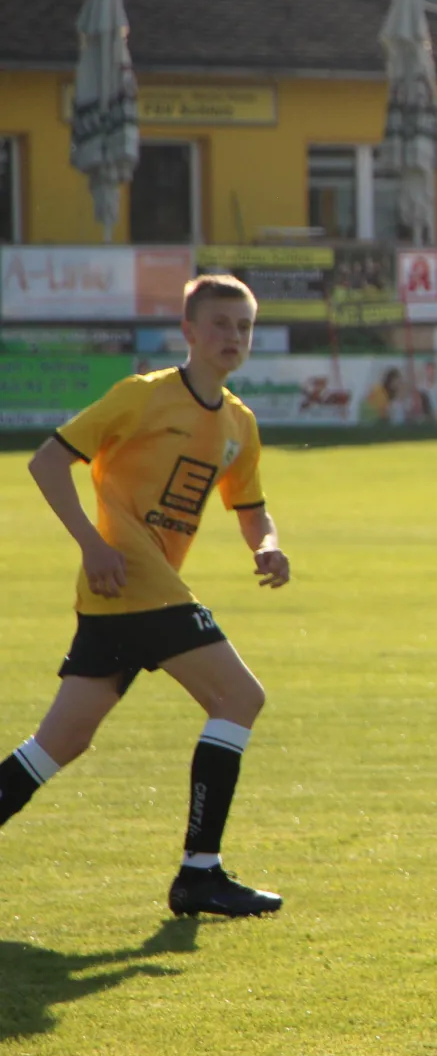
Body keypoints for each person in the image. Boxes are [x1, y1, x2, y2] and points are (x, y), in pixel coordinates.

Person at [0, 275, 289, 917]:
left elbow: (251, 509)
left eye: (244, 326)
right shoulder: (142, 396)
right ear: (189, 331)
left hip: (120, 600)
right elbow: (47, 462)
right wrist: (92, 544)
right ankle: (200, 874)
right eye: (220, 324)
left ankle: (199, 875)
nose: (233, 336)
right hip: (136, 581)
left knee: (59, 743)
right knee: (240, 697)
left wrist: (266, 545)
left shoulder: (238, 422)